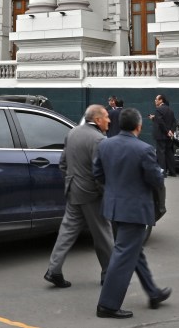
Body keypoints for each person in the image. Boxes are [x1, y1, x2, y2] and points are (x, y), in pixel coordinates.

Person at [94, 108, 170, 319]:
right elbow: (156, 180)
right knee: (123, 254)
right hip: (134, 210)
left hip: (113, 207)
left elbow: (97, 174)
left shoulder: (105, 144)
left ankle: (153, 292)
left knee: (132, 251)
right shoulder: (144, 149)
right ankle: (107, 305)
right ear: (139, 126)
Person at [44, 105, 115, 289]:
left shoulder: (73, 133)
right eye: (106, 117)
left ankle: (54, 270)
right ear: (97, 119)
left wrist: (71, 182)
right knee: (104, 235)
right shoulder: (99, 140)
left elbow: (62, 164)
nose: (109, 120)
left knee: (66, 232)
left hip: (74, 190)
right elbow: (100, 174)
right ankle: (109, 274)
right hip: (92, 194)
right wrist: (104, 193)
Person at [149, 94, 177, 176]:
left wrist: (167, 131)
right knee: (169, 153)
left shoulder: (158, 110)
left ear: (161, 100)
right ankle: (172, 172)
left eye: (156, 99)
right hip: (168, 136)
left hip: (161, 135)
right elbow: (174, 122)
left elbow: (160, 122)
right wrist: (171, 131)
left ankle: (162, 172)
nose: (155, 101)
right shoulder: (170, 110)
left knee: (160, 153)